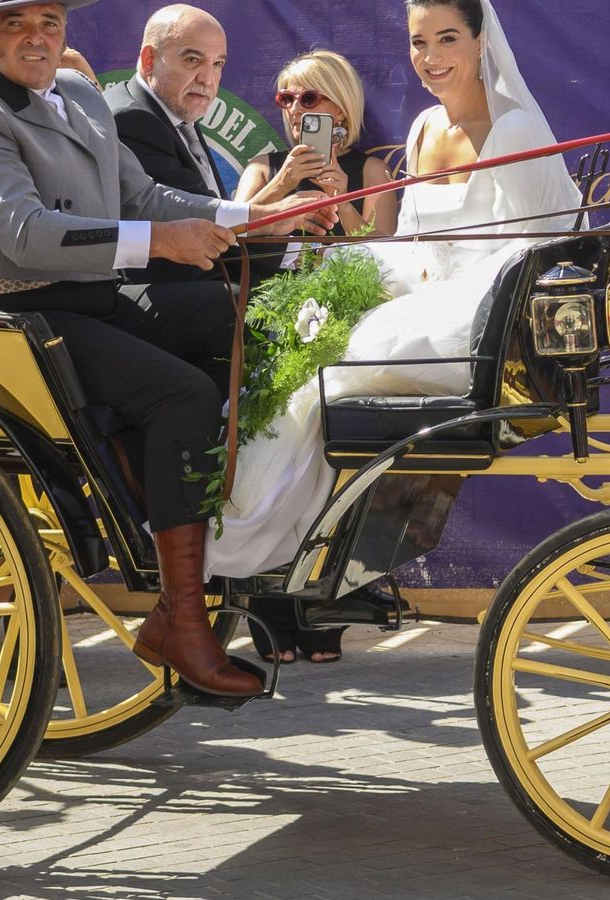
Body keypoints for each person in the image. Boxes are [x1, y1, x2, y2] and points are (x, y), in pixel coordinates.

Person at [0, 0, 330, 697]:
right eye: (18, 23)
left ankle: (228, 543)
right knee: (183, 393)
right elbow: (27, 234)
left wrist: (257, 216)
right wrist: (159, 243)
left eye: (49, 22)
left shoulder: (78, 94)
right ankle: (182, 618)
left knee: (234, 322)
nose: (37, 37)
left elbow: (143, 195)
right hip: (18, 315)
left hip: (88, 298)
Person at [206, 0, 581, 578]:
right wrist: (353, 282)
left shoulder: (515, 128)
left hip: (482, 320)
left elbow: (528, 254)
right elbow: (407, 242)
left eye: (447, 39)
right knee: (304, 342)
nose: (430, 58)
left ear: (482, 41)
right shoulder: (424, 127)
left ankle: (266, 538)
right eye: (418, 42)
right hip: (423, 296)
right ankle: (277, 537)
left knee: (339, 358)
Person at [233, 51, 403, 663]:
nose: (299, 112)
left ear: (342, 105)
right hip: (273, 320)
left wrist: (342, 196)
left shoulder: (374, 164)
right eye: (287, 100)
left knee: (335, 469)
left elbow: (386, 251)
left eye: (312, 100)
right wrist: (284, 190)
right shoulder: (264, 163)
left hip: (349, 323)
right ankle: (269, 611)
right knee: (269, 465)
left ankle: (323, 606)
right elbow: (234, 230)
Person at [104, 5, 238, 283]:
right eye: (192, 60)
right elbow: (202, 225)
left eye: (218, 64)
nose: (208, 79)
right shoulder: (133, 119)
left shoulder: (175, 109)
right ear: (149, 59)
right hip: (167, 290)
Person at [236, 50, 399, 243]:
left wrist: (344, 204)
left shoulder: (372, 171)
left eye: (308, 99)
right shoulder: (261, 168)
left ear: (341, 110)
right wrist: (281, 184)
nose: (294, 110)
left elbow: (386, 254)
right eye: (287, 99)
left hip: (346, 273)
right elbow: (229, 234)